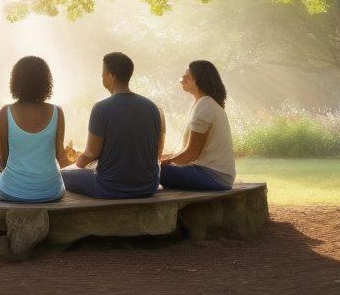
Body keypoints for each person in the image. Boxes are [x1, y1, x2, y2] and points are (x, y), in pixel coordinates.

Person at [61, 52, 164, 199]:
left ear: (111, 76)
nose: (102, 77)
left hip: (110, 188)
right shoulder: (152, 107)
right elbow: (156, 151)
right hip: (148, 186)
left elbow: (91, 153)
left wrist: (73, 167)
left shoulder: (101, 108)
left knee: (61, 175)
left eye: (103, 73)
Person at [0, 56, 66, 203]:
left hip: (13, 191)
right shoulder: (57, 112)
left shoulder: (6, 112)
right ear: (46, 82)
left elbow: (3, 158)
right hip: (51, 192)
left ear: (15, 81)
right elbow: (60, 156)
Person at [160, 60, 236, 191]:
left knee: (151, 171)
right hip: (216, 175)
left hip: (213, 176)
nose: (182, 79)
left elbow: (192, 153)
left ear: (198, 80)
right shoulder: (204, 103)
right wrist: (165, 158)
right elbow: (189, 152)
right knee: (156, 168)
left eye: (186, 76)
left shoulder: (205, 106)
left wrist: (165, 163)